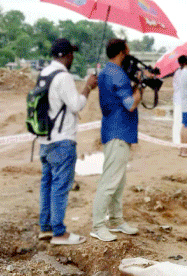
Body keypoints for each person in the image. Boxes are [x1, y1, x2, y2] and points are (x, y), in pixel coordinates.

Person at [38, 39, 98, 245]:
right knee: (60, 186)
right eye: (71, 54)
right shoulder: (63, 77)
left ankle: (45, 228)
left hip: (44, 140)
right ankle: (59, 232)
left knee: (46, 184)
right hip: (62, 140)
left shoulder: (44, 74)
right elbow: (76, 105)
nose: (73, 57)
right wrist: (87, 87)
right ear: (65, 55)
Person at [90, 39, 142, 242]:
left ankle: (116, 219)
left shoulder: (106, 72)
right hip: (118, 131)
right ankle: (98, 225)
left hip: (113, 129)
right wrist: (139, 90)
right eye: (127, 51)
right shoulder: (117, 75)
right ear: (122, 52)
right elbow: (130, 104)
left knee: (118, 180)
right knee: (110, 181)